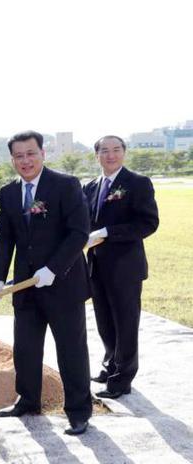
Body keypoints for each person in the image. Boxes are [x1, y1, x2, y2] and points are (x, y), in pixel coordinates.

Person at [0, 130, 92, 435]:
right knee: (26, 348)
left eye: (31, 153)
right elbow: (4, 240)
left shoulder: (66, 185)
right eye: (19, 156)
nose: (25, 161)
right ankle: (28, 400)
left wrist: (53, 269)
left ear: (43, 154)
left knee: (71, 350)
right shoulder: (8, 193)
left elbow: (78, 233)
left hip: (63, 283)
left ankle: (78, 411)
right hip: (25, 285)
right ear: (12, 159)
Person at [83, 135, 159, 399]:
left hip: (125, 267)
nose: (111, 155)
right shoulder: (90, 186)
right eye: (105, 150)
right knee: (104, 321)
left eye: (116, 150)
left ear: (124, 153)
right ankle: (111, 365)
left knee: (125, 322)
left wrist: (106, 232)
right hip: (96, 266)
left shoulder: (137, 183)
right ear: (97, 155)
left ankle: (122, 378)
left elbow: (148, 223)